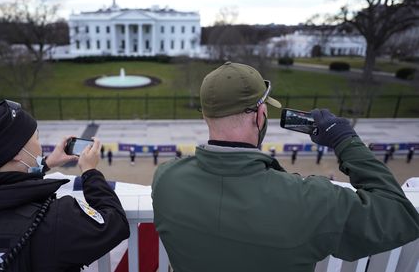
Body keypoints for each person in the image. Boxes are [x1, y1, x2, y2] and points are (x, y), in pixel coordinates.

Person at [151, 62, 419, 272]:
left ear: (206, 116)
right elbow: (399, 214)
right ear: (260, 115)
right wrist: (345, 141)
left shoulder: (166, 180)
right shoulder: (310, 200)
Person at [0, 100, 129, 272]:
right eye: (36, 138)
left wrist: (44, 164)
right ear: (17, 153)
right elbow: (114, 223)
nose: (39, 145)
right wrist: (90, 172)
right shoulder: (54, 220)